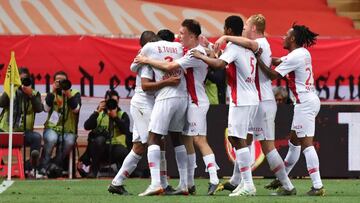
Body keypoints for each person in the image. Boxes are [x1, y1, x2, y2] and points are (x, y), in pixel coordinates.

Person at [135, 19, 221, 195]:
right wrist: (210, 47)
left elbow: (169, 65)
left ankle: (214, 179)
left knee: (199, 140)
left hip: (197, 101)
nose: (178, 36)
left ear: (191, 35)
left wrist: (146, 59)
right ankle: (186, 184)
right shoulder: (193, 50)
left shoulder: (193, 54)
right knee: (185, 140)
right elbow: (212, 54)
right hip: (188, 100)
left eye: (182, 33)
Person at [213, 14, 296, 195]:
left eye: (246, 27)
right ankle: (237, 180)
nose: (243, 31)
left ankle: (288, 186)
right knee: (245, 138)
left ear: (252, 29)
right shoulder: (251, 47)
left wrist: (226, 37)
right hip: (257, 100)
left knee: (266, 146)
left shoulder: (260, 44)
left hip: (264, 100)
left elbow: (250, 45)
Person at [191, 15, 259, 196]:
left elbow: (219, 65)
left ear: (229, 30)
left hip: (242, 99)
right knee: (236, 138)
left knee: (237, 138)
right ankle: (244, 182)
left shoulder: (234, 46)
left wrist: (200, 55)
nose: (223, 30)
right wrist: (212, 50)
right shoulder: (244, 46)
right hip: (251, 97)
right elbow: (224, 62)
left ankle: (248, 185)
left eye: (224, 27)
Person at [108, 30, 181, 195]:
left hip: (145, 105)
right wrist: (168, 81)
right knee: (156, 140)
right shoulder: (147, 63)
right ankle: (160, 183)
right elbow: (147, 87)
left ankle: (116, 183)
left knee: (139, 147)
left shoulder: (151, 60)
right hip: (143, 104)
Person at [255, 23, 325, 196]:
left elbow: (273, 75)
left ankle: (317, 186)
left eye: (286, 35)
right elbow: (279, 61)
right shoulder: (302, 53)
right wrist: (266, 58)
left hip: (304, 103)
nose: (283, 38)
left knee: (307, 144)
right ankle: (283, 179)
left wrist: (257, 60)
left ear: (293, 38)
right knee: (294, 142)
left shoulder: (294, 57)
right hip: (309, 100)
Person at [134, 30, 188, 196]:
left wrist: (146, 59)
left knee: (153, 138)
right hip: (182, 95)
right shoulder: (179, 46)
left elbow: (134, 65)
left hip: (165, 97)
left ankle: (156, 183)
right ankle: (184, 184)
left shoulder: (149, 47)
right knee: (177, 138)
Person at [0, 67, 43, 177]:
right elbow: (1, 103)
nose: (22, 83)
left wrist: (30, 94)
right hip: (5, 130)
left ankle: (32, 168)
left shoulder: (34, 93)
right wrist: (12, 87)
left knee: (37, 137)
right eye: (20, 80)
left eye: (25, 80)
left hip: (24, 132)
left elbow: (39, 109)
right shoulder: (10, 91)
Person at [79, 90, 130, 178]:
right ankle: (93, 171)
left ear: (118, 101)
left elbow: (126, 131)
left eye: (114, 101)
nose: (111, 103)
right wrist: (96, 111)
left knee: (124, 152)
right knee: (99, 140)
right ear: (105, 101)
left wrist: (115, 117)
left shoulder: (122, 114)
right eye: (109, 101)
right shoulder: (99, 113)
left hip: (115, 147)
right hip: (98, 148)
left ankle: (122, 172)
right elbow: (87, 126)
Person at [40, 71, 81, 177]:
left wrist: (68, 94)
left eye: (63, 81)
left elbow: (76, 109)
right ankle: (43, 168)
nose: (60, 83)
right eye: (58, 81)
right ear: (54, 82)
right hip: (52, 128)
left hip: (68, 130)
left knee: (69, 141)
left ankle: (53, 165)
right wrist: (52, 91)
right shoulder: (52, 93)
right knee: (51, 139)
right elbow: (45, 109)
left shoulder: (74, 93)